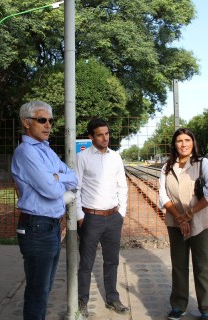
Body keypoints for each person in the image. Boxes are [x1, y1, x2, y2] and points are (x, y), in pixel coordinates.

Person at [11, 100, 78, 320]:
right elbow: (50, 190)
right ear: (26, 123)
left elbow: (73, 177)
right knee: (38, 292)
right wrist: (57, 180)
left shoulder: (46, 151)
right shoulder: (26, 152)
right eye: (42, 120)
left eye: (50, 120)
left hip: (49, 226)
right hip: (36, 228)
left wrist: (57, 176)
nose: (48, 125)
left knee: (45, 288)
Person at [158, 128, 208, 320]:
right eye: (179, 141)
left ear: (193, 142)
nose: (183, 144)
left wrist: (189, 215)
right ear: (174, 144)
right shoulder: (167, 167)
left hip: (201, 222)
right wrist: (179, 217)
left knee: (202, 266)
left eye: (187, 140)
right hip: (175, 223)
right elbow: (162, 195)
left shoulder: (203, 163)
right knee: (178, 265)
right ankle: (178, 305)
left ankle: (206, 308)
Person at [75, 118, 129, 318]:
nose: (105, 138)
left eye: (107, 133)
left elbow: (122, 186)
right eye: (100, 134)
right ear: (91, 137)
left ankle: (113, 299)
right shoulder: (83, 158)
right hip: (91, 218)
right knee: (86, 263)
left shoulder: (116, 157)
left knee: (112, 261)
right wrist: (80, 215)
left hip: (113, 217)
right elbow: (77, 187)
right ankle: (82, 302)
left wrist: (121, 213)